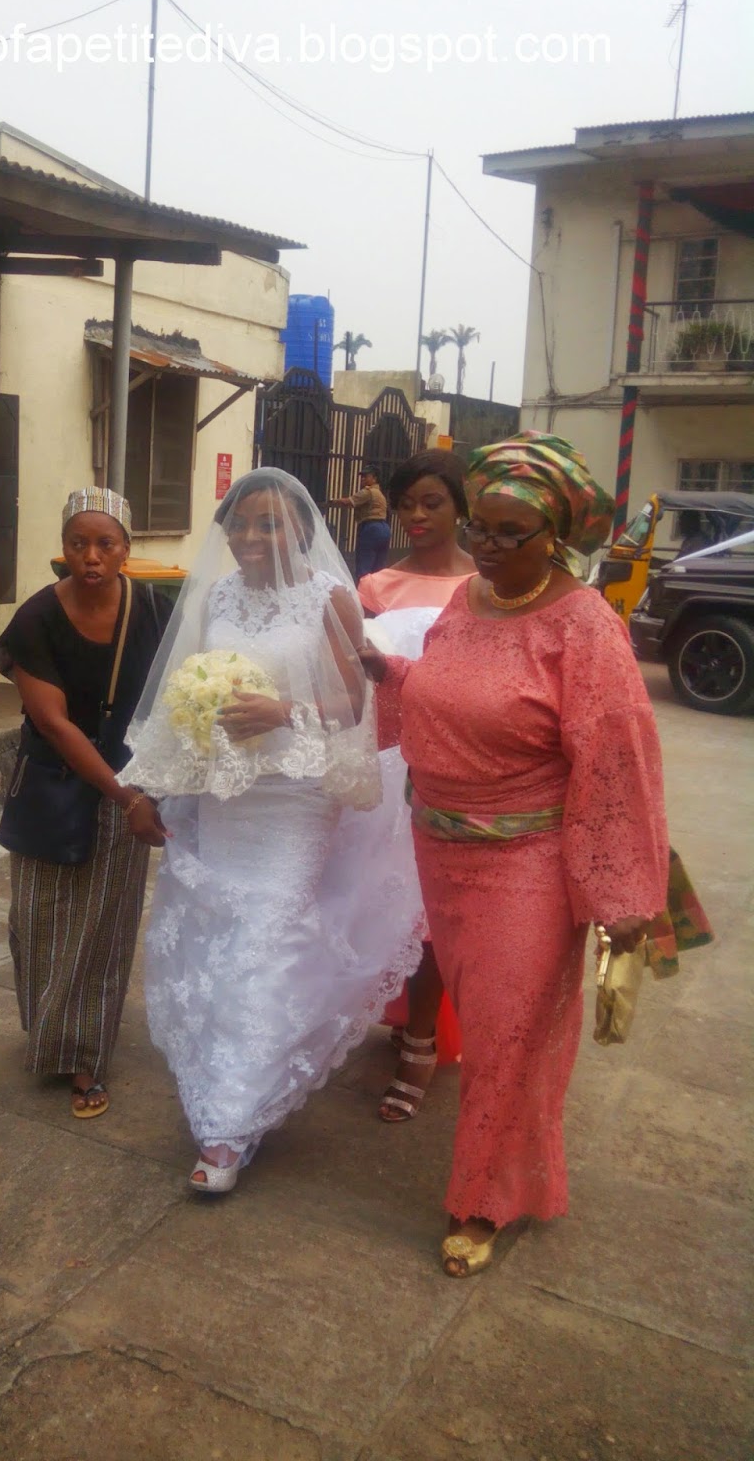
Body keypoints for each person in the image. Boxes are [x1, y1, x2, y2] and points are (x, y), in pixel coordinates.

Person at [361, 432, 705, 1276]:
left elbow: (618, 762)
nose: (486, 544)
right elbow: (446, 688)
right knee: (488, 1026)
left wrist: (624, 899)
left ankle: (488, 1198)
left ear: (558, 535)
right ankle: (506, 1168)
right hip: (442, 851)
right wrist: (389, 673)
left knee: (513, 1037)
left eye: (510, 532)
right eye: (480, 526)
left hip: (527, 864)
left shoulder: (584, 626)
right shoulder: (468, 598)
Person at [124, 467, 421, 1193]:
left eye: (269, 523)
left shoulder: (329, 598)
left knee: (266, 936)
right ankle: (226, 1087)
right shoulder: (218, 596)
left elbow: (355, 703)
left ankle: (225, 1130)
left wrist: (282, 710)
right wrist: (152, 779)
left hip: (294, 796)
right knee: (220, 939)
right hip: (226, 795)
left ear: (300, 531)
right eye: (240, 523)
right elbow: (183, 690)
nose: (252, 536)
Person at [0, 488, 171, 1120]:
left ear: (126, 549)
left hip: (132, 784)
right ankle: (51, 1032)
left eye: (105, 544)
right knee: (38, 918)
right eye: (78, 543)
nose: (91, 556)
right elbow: (53, 722)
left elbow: (179, 691)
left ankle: (86, 1054)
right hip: (55, 783)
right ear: (63, 549)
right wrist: (124, 795)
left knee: (104, 926)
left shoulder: (154, 610)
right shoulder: (36, 619)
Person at [355, 448, 476, 1122]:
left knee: (433, 914)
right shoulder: (377, 586)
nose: (417, 515)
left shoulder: (486, 586)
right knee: (384, 902)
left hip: (453, 767)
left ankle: (422, 1042)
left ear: (461, 505)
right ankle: (396, 1015)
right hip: (383, 759)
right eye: (407, 505)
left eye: (433, 502)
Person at [335, 469, 391, 581]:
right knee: (379, 566)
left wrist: (333, 501)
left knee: (364, 565)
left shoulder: (368, 492)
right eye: (362, 476)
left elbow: (349, 501)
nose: (362, 479)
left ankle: (363, 589)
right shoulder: (380, 494)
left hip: (371, 528)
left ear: (374, 479)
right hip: (384, 528)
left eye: (366, 476)